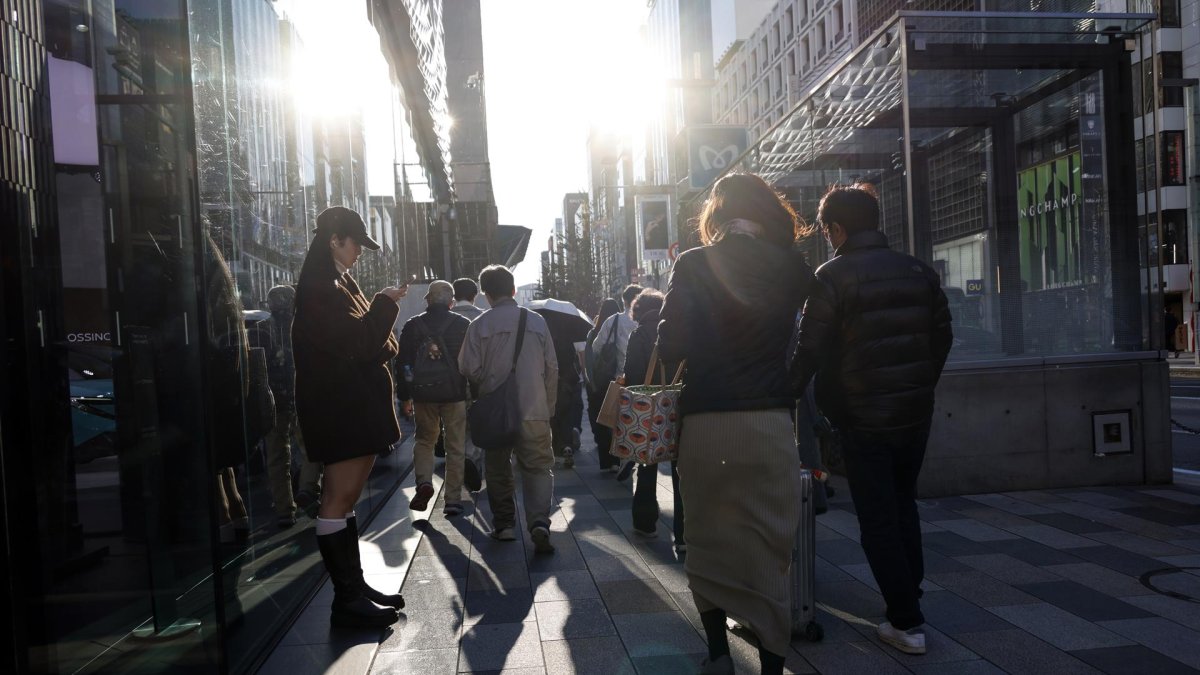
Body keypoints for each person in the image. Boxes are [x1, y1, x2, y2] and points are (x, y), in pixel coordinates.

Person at [657, 173, 813, 675]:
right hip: (770, 421)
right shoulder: (792, 265)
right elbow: (811, 338)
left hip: (705, 421)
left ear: (716, 214)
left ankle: (719, 655)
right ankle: (771, 665)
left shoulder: (694, 262)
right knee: (770, 542)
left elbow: (672, 345)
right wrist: (787, 380)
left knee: (705, 535)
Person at [790, 184, 953, 656]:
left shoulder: (831, 277)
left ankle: (906, 620)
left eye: (826, 229)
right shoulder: (919, 272)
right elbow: (942, 338)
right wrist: (919, 386)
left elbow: (810, 351)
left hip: (861, 416)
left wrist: (787, 392)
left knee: (878, 515)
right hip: (913, 412)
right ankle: (908, 597)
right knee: (904, 505)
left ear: (836, 228)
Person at [292, 206, 408, 628]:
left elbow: (381, 345)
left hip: (350, 410)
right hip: (339, 411)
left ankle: (354, 588)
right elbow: (365, 344)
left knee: (344, 504)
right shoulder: (320, 289)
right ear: (334, 240)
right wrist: (384, 304)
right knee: (336, 503)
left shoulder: (338, 284)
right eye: (356, 242)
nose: (360, 250)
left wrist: (378, 321)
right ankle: (347, 597)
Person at [459, 265, 559, 553]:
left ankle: (504, 526)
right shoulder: (537, 322)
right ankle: (539, 522)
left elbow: (468, 367)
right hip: (534, 408)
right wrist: (548, 406)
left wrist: (489, 381)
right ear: (514, 290)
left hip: (496, 410)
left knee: (498, 467)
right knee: (539, 467)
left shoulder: (479, 324)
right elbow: (552, 367)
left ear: (486, 295)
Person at [396, 280, 470, 517]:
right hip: (454, 394)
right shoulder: (462, 325)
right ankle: (453, 500)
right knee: (455, 446)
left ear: (428, 300)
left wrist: (405, 396)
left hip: (423, 394)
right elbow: (470, 362)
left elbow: (403, 363)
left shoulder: (412, 325)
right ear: (451, 302)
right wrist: (474, 394)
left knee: (425, 441)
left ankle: (424, 483)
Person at [620, 289, 685, 553]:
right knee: (681, 470)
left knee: (646, 464)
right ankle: (683, 535)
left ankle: (645, 522)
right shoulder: (679, 327)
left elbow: (633, 373)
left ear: (639, 310)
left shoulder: (639, 334)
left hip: (649, 407)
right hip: (678, 402)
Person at [589, 284, 643, 473]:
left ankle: (616, 458)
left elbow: (596, 347)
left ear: (624, 301)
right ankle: (631, 454)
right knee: (638, 417)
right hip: (642, 379)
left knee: (615, 419)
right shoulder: (648, 320)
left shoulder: (613, 321)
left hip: (617, 378)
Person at [450, 277, 484, 492]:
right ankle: (472, 458)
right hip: (477, 380)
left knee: (456, 426)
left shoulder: (448, 318)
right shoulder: (483, 318)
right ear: (475, 295)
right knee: (477, 424)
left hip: (451, 383)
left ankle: (461, 461)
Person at [584, 297, 621, 467]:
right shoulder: (622, 331)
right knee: (617, 418)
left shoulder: (594, 332)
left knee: (599, 417)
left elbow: (588, 360)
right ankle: (617, 457)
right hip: (617, 381)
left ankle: (606, 459)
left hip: (598, 383)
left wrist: (591, 382)